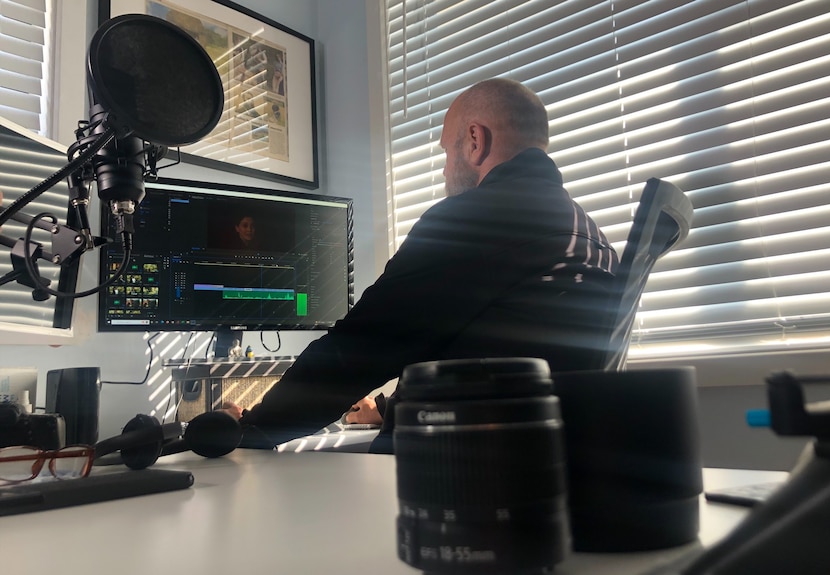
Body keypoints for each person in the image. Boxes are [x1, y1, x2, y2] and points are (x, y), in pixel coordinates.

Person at [224, 78, 619, 450]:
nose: (447, 170)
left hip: (444, 473)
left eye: (447, 151)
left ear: (475, 140)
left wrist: (250, 428)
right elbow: (500, 353)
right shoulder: (587, 233)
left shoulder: (477, 216)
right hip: (517, 464)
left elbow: (357, 351)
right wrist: (384, 409)